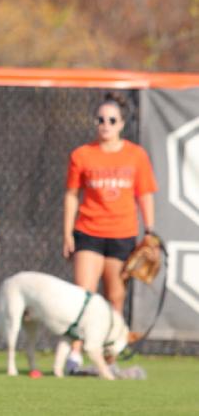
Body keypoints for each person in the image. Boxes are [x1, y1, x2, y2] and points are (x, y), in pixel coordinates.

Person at [62, 91, 157, 373]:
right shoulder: (82, 154)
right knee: (84, 295)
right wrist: (67, 233)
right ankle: (75, 353)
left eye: (112, 120)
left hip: (122, 234)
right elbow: (71, 195)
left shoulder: (136, 155)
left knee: (115, 296)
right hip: (88, 231)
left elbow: (145, 195)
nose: (105, 124)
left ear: (122, 124)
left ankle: (110, 353)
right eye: (101, 119)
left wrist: (149, 231)